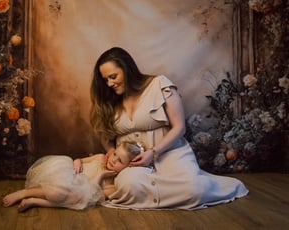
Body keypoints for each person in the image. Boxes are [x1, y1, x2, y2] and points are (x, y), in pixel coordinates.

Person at [90, 47, 249, 210]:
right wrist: (110, 149)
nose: (109, 83)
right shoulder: (110, 99)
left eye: (113, 77)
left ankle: (195, 185)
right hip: (131, 163)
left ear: (126, 69)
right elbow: (102, 130)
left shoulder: (159, 85)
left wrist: (153, 152)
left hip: (167, 153)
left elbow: (179, 127)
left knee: (194, 190)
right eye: (106, 80)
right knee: (129, 185)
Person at [2, 141, 143, 212]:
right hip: (67, 173)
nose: (113, 160)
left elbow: (90, 195)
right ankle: (25, 193)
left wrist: (101, 175)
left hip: (74, 193)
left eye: (120, 161)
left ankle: (34, 201)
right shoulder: (100, 158)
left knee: (71, 196)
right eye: (114, 154)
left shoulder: (113, 185)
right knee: (62, 190)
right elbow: (79, 160)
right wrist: (77, 162)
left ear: (128, 166)